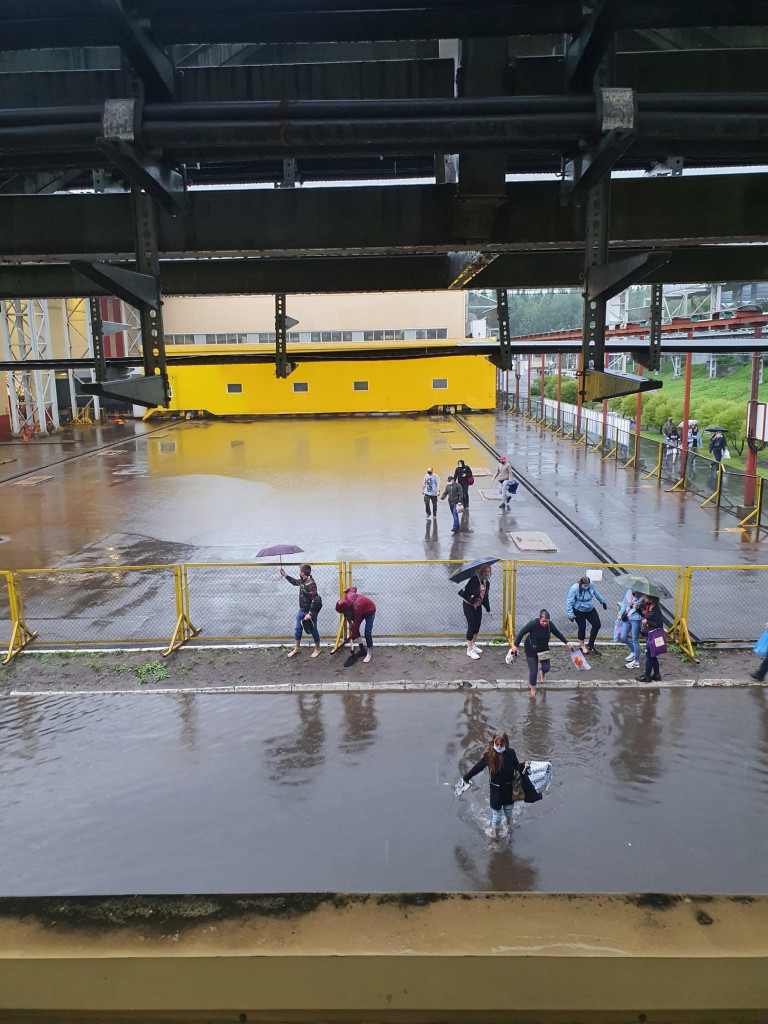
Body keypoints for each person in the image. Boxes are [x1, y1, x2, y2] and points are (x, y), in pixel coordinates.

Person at [460, 730, 540, 838]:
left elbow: (516, 766)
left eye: (501, 744)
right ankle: (495, 835)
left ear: (506, 744)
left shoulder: (511, 753)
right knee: (497, 816)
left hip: (508, 789)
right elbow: (477, 768)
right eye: (496, 744)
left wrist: (524, 765)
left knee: (508, 812)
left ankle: (508, 826)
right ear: (493, 742)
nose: (498, 746)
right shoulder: (489, 755)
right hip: (495, 790)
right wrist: (466, 778)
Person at [509, 609, 575, 696]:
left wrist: (566, 642)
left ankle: (542, 673)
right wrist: (515, 646)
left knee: (546, 668)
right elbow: (521, 633)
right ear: (539, 618)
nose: (545, 623)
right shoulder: (533, 624)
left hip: (543, 650)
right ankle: (533, 691)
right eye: (543, 621)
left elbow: (558, 634)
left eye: (546, 621)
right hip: (531, 649)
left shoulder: (550, 625)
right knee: (533, 671)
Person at [280, 563, 322, 659]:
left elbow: (315, 599)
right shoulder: (303, 581)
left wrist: (310, 614)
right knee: (298, 629)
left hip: (310, 612)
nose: (298, 572)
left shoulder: (310, 584)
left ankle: (317, 649)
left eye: (299, 571)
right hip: (301, 610)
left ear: (302, 573)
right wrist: (285, 575)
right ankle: (297, 648)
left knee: (313, 630)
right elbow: (295, 582)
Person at [565, 576, 607, 656]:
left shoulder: (591, 585)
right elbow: (569, 601)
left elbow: (596, 593)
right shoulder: (574, 588)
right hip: (579, 610)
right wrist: (570, 614)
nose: (587, 586)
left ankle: (591, 645)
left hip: (590, 608)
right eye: (585, 585)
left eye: (588, 584)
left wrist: (602, 601)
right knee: (582, 627)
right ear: (581, 583)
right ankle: (582, 646)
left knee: (597, 625)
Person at [335, 586, 376, 664]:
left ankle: (369, 653)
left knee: (367, 632)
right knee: (354, 629)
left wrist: (351, 641)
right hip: (361, 609)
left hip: (370, 610)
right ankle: (362, 649)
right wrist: (347, 590)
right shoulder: (348, 596)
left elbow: (356, 625)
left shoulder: (356, 608)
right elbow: (353, 588)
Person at [460, 564, 492, 659]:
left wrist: (488, 610)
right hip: (468, 605)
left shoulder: (487, 583)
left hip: (477, 606)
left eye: (488, 572)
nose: (486, 573)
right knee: (471, 625)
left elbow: (485, 597)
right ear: (481, 572)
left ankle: (473, 645)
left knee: (477, 625)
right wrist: (478, 590)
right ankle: (469, 650)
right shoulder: (474, 580)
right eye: (485, 571)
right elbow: (466, 593)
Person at [637, 594, 664, 682]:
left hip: (653, 635)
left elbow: (659, 624)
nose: (644, 598)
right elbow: (644, 616)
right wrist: (638, 609)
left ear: (652, 599)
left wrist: (648, 621)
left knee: (648, 655)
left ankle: (647, 676)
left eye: (646, 597)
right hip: (649, 633)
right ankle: (656, 675)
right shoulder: (648, 606)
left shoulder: (656, 610)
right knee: (652, 655)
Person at [619, 588, 643, 670]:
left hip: (636, 619)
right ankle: (634, 651)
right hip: (627, 617)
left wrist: (637, 605)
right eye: (633, 593)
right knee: (623, 637)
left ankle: (636, 661)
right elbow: (624, 604)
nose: (634, 594)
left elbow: (641, 610)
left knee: (635, 639)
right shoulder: (629, 592)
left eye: (636, 593)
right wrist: (621, 614)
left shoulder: (643, 597)